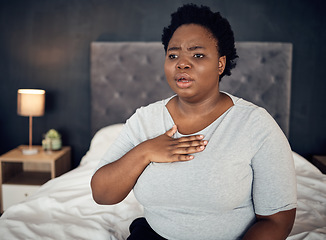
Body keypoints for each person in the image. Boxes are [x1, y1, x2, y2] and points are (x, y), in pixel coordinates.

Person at [91, 4, 297, 240]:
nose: (182, 63)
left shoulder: (256, 125)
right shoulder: (144, 119)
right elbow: (102, 194)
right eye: (173, 55)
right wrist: (145, 151)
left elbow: (277, 221)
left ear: (220, 64)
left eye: (197, 55)